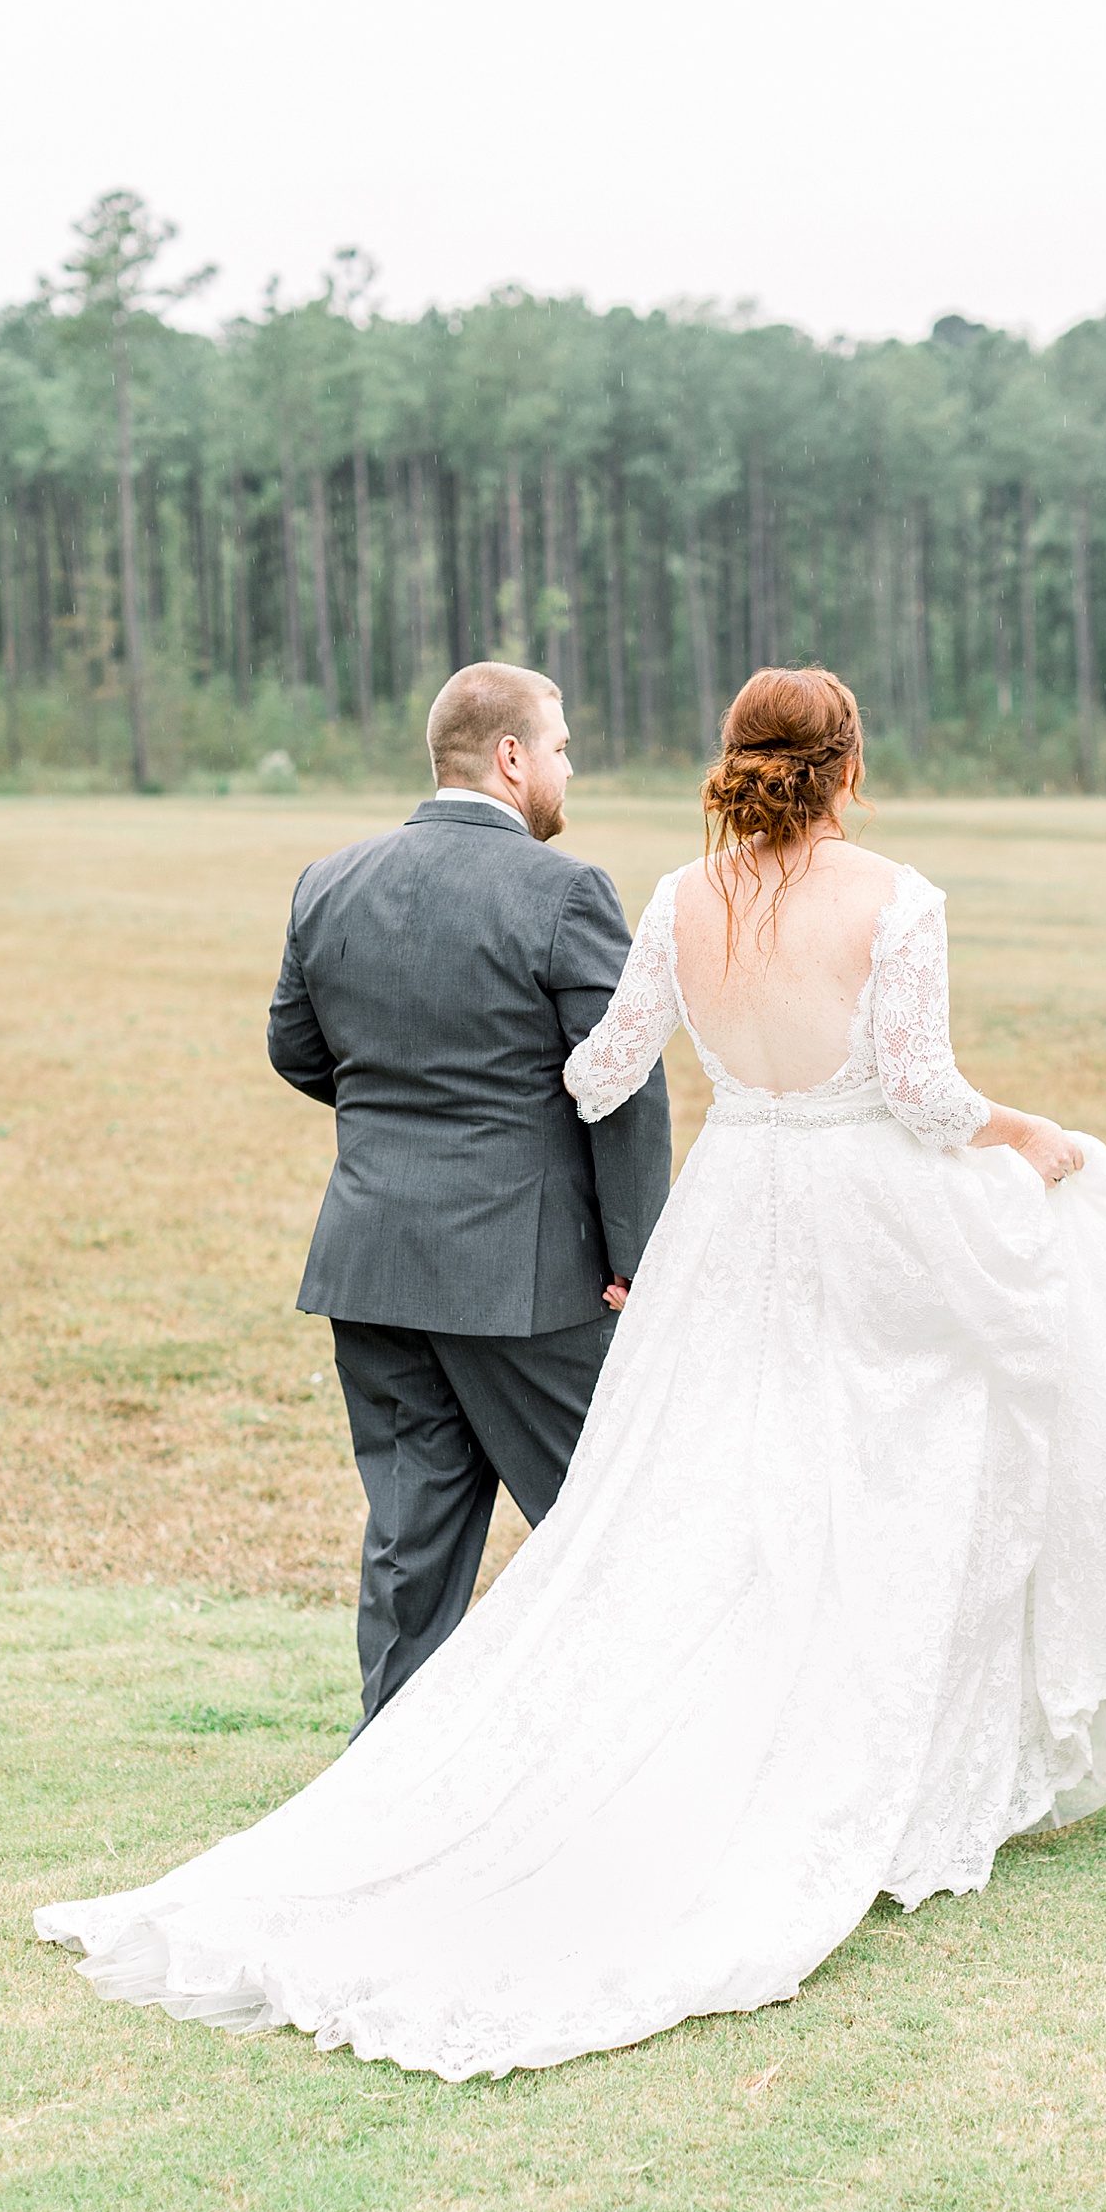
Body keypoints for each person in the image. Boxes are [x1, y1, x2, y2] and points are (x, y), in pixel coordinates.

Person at [37, 667, 1106, 2081]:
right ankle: (809, 1751)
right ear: (847, 766)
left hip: (702, 1217)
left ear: (739, 765)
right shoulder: (892, 898)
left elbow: (595, 1069)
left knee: (636, 1494)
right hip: (852, 1218)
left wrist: (458, 1101)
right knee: (860, 1472)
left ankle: (495, 1755)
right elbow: (922, 1093)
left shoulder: (669, 900)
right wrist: (1029, 1134)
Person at [264, 661, 670, 1730]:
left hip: (374, 1261)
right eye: (562, 747)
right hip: (525, 1277)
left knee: (412, 1546)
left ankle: (388, 1776)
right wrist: (637, 1256)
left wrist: (400, 1118)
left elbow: (297, 1050)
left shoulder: (328, 880)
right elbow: (623, 1083)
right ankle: (643, 1750)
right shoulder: (565, 891)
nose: (569, 767)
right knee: (616, 1517)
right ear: (510, 756)